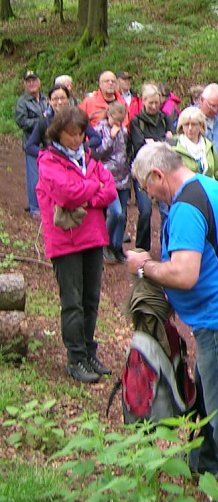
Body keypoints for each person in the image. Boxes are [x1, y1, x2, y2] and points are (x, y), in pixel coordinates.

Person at [125, 143, 218, 502]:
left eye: (146, 186)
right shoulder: (207, 186)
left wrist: (145, 267)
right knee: (207, 393)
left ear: (157, 175)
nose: (148, 196)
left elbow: (185, 273)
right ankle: (204, 458)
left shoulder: (186, 207)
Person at [37, 107, 117, 384]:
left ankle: (88, 350)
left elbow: (109, 191)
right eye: (71, 134)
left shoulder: (90, 160)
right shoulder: (48, 161)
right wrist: (91, 188)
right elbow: (66, 193)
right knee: (72, 302)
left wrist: (89, 193)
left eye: (80, 133)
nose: (76, 139)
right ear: (58, 133)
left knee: (91, 300)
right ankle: (76, 358)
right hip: (66, 241)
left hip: (93, 236)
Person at [129, 83, 174, 252]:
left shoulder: (165, 118)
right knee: (146, 210)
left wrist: (154, 142)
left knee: (166, 211)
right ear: (144, 101)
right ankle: (141, 248)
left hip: (164, 169)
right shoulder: (136, 122)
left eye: (157, 103)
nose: (154, 106)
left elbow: (173, 140)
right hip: (144, 171)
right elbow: (139, 144)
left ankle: (166, 248)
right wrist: (161, 140)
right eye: (150, 103)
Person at [94, 102, 132, 264]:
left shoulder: (124, 130)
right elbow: (98, 153)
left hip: (123, 176)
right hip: (107, 177)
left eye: (121, 121)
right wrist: (111, 136)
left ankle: (117, 247)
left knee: (122, 215)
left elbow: (126, 151)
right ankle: (105, 244)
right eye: (115, 120)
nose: (118, 124)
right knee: (114, 212)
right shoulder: (99, 130)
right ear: (108, 116)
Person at [26, 84, 102, 159]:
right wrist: (46, 154)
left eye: (63, 98)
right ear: (49, 101)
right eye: (55, 99)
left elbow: (96, 139)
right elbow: (30, 146)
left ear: (68, 99)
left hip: (77, 162)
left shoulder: (79, 118)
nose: (59, 102)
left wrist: (82, 147)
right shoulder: (44, 122)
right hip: (54, 164)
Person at [15, 70, 48, 216]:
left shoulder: (45, 99)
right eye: (28, 81)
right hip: (31, 143)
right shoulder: (22, 102)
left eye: (34, 80)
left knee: (47, 175)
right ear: (24, 84)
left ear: (39, 82)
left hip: (47, 143)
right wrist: (41, 122)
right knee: (34, 177)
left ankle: (45, 204)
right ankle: (35, 207)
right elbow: (21, 121)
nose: (31, 84)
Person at [171, 107, 218, 184]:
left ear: (201, 125)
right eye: (187, 124)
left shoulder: (208, 145)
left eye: (194, 124)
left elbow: (216, 171)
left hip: (208, 190)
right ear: (181, 126)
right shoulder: (174, 146)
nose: (190, 128)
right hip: (185, 192)